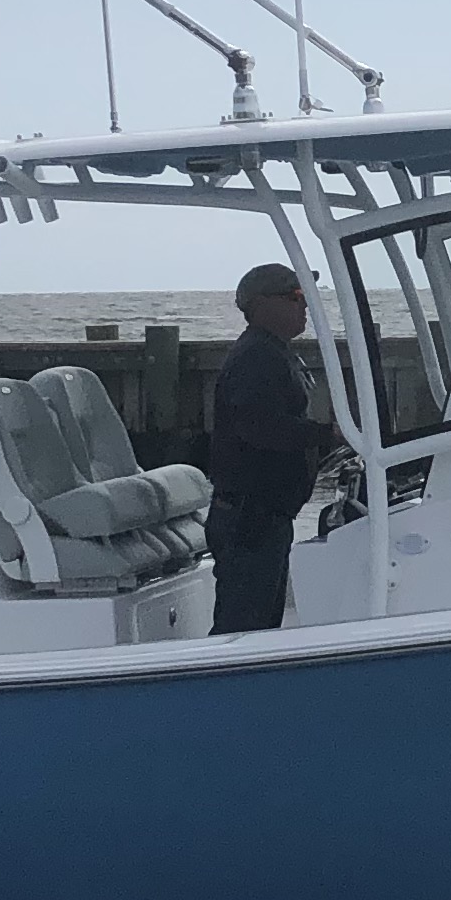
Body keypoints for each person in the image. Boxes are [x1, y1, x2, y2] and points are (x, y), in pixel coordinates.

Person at [205, 260, 332, 632]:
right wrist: (325, 435)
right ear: (262, 305)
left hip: (265, 516)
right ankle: (224, 687)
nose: (305, 304)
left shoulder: (273, 351)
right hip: (250, 519)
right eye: (296, 296)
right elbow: (259, 428)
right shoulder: (257, 357)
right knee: (241, 629)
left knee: (259, 624)